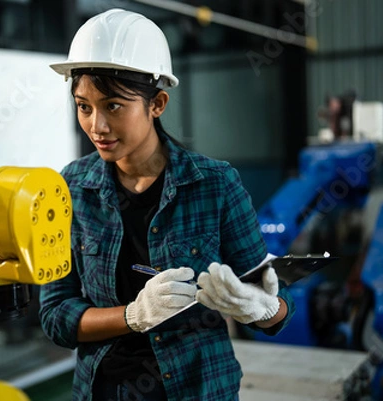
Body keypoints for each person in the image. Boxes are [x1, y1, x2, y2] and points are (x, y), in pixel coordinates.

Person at [39, 8, 295, 401]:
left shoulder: (214, 185)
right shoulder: (70, 188)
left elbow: (273, 313)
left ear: (157, 103)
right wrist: (133, 316)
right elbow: (56, 316)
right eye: (84, 106)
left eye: (113, 106)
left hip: (198, 389)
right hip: (105, 391)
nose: (96, 126)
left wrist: (260, 308)